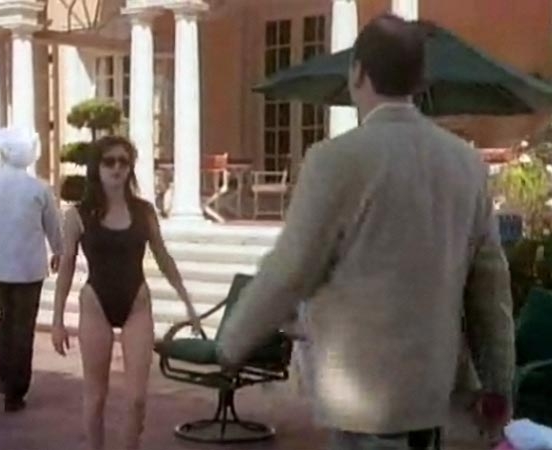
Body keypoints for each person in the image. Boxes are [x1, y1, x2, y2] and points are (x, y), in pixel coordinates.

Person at [217, 14, 515, 450]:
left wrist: (233, 340)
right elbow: (490, 291)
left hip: (361, 401)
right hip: (433, 397)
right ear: (420, 81)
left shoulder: (335, 160)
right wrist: (499, 384)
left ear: (357, 72)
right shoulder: (466, 164)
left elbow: (291, 269)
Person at [52, 135, 201, 450]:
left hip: (136, 303)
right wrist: (57, 320)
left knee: (136, 399)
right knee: (96, 397)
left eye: (124, 161)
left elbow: (163, 257)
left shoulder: (144, 212)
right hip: (96, 303)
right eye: (109, 161)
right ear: (97, 167)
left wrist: (187, 302)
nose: (117, 168)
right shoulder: (78, 215)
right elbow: (66, 267)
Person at [0, 127, 63, 413]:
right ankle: (17, 387)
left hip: (0, 267)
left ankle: (5, 378)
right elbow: (53, 225)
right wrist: (59, 250)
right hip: (30, 269)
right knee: (24, 327)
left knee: (5, 322)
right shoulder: (40, 188)